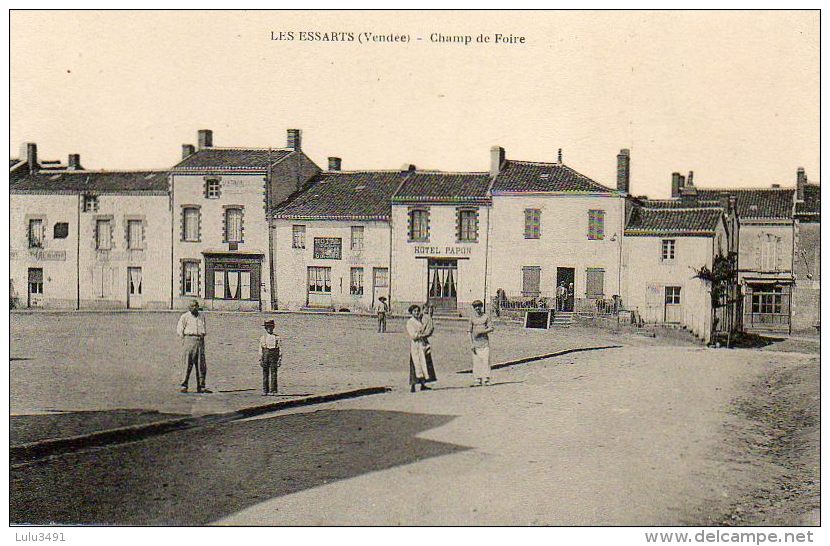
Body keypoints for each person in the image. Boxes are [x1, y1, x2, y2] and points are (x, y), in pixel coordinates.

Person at [176, 299, 211, 393]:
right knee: (187, 363)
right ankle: (184, 385)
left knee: (201, 364)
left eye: (196, 306)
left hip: (200, 340)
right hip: (189, 340)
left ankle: (201, 386)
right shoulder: (185, 317)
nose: (194, 308)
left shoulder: (202, 316)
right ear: (189, 307)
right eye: (192, 306)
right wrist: (185, 339)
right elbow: (180, 329)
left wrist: (202, 336)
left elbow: (203, 327)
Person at [405, 304, 434, 393]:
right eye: (414, 311)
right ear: (411, 312)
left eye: (418, 311)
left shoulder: (420, 321)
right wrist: (420, 335)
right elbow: (412, 335)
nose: (416, 313)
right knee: (415, 364)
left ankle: (422, 384)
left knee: (424, 363)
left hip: (422, 344)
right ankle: (413, 385)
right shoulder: (410, 322)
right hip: (415, 345)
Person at [469, 300, 494, 387]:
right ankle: (477, 379)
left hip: (484, 342)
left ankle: (486, 379)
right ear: (474, 308)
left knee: (485, 361)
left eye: (479, 306)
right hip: (475, 343)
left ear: (481, 307)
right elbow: (469, 331)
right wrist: (471, 343)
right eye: (476, 307)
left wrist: (482, 331)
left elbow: (491, 328)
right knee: (476, 361)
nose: (477, 309)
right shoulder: (472, 318)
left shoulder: (486, 317)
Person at [259, 319, 281, 396]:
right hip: (265, 355)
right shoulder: (263, 337)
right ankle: (265, 390)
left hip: (274, 355)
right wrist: (260, 359)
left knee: (274, 373)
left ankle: (274, 390)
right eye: (268, 327)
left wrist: (279, 359)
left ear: (273, 328)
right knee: (265, 373)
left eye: (271, 327)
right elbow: (260, 349)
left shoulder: (277, 337)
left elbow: (280, 348)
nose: (269, 329)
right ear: (265, 328)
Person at [420, 303, 438, 384]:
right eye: (426, 309)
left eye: (429, 309)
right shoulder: (424, 318)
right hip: (422, 339)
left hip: (423, 339)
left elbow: (430, 329)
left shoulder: (427, 318)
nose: (427, 310)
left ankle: (424, 379)